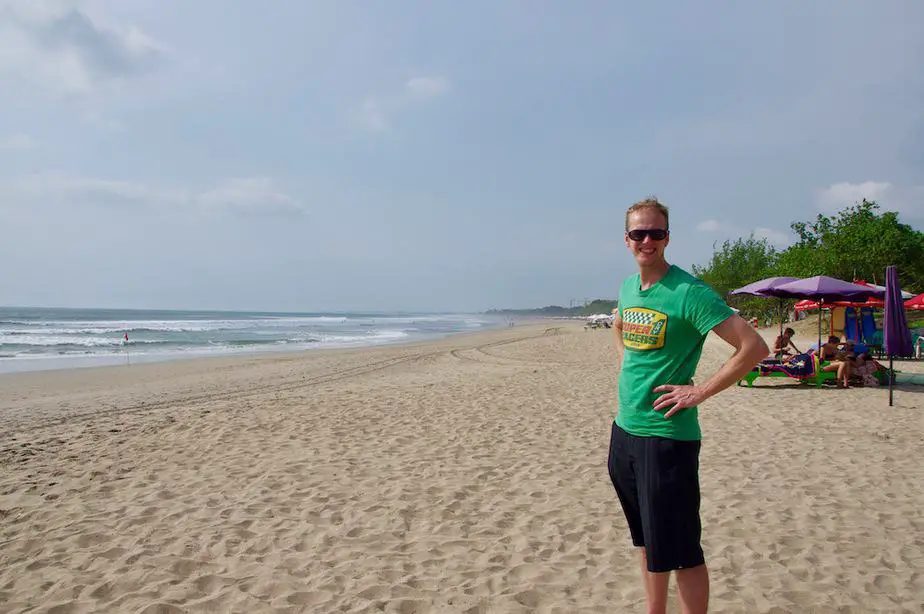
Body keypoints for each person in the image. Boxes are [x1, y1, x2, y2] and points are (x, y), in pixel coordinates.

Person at [608, 198, 769, 614]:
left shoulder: (689, 291)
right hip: (625, 432)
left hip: (667, 439)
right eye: (639, 233)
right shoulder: (629, 287)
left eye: (655, 233)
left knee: (681, 551)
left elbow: (753, 347)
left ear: (667, 238)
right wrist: (626, 361)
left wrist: (698, 392)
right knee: (646, 541)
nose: (647, 240)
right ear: (626, 240)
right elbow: (621, 325)